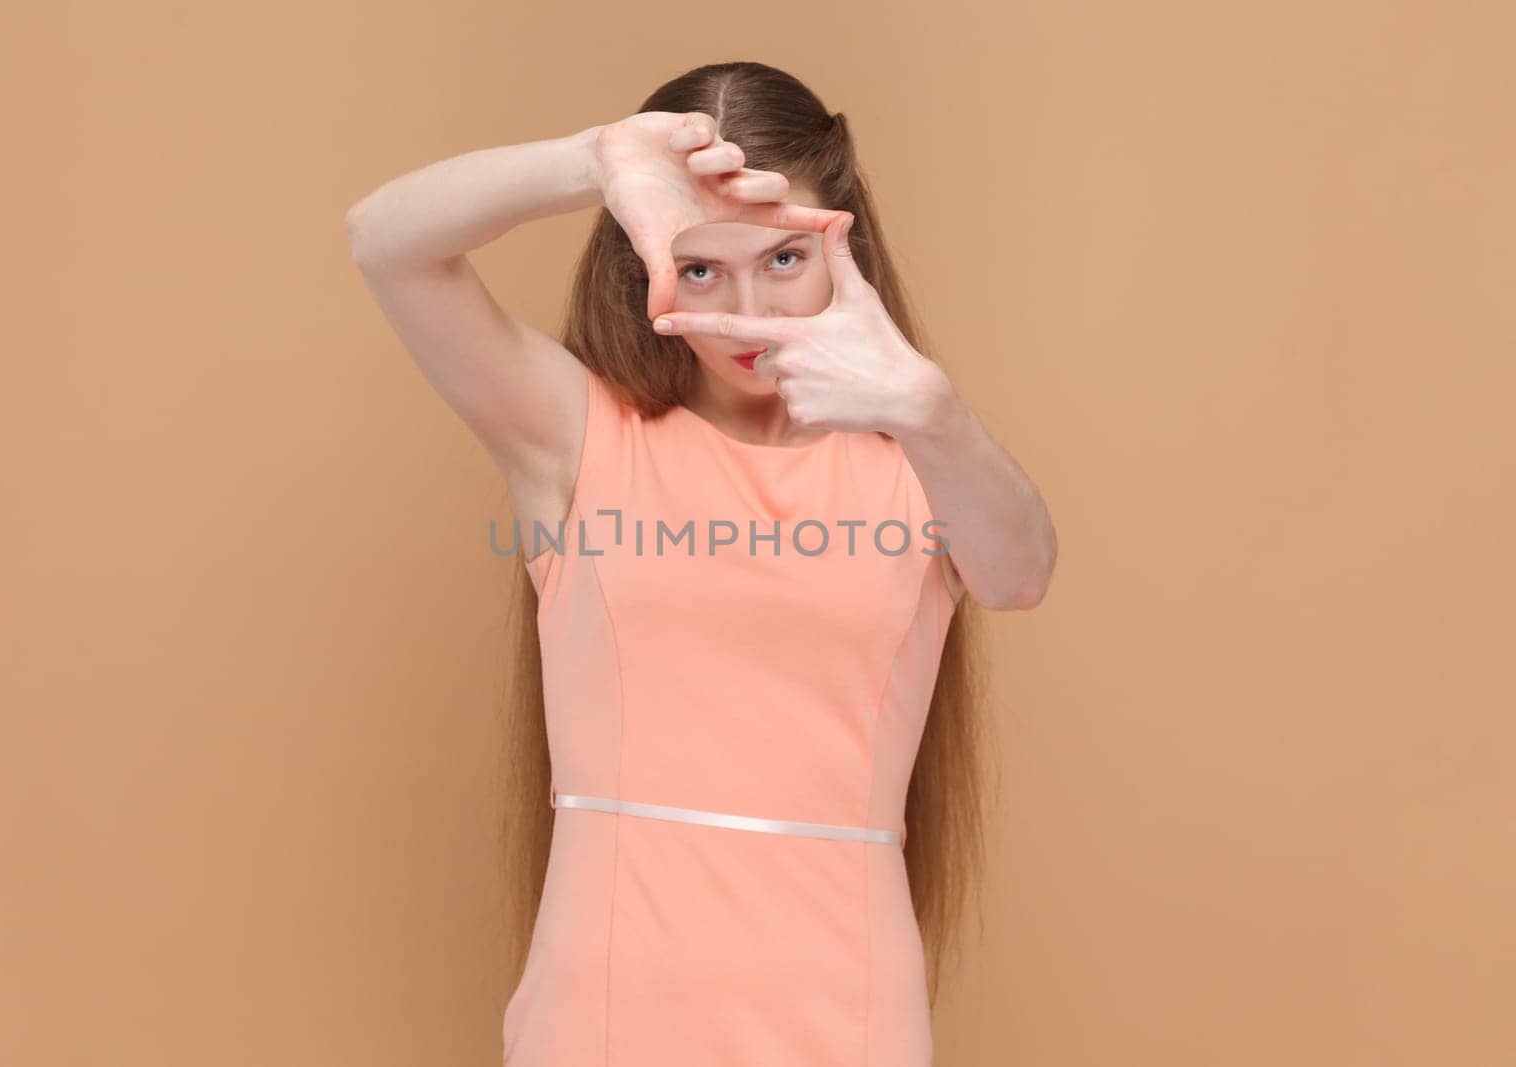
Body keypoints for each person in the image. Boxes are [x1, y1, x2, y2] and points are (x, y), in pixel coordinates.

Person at [345, 61, 1055, 1067]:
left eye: (782, 258)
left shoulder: (920, 464)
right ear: (646, 269)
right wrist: (592, 162)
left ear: (844, 248)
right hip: (605, 1006)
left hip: (842, 1006)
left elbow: (1019, 572)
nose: (747, 309)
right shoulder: (574, 436)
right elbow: (384, 240)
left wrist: (930, 410)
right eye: (701, 263)